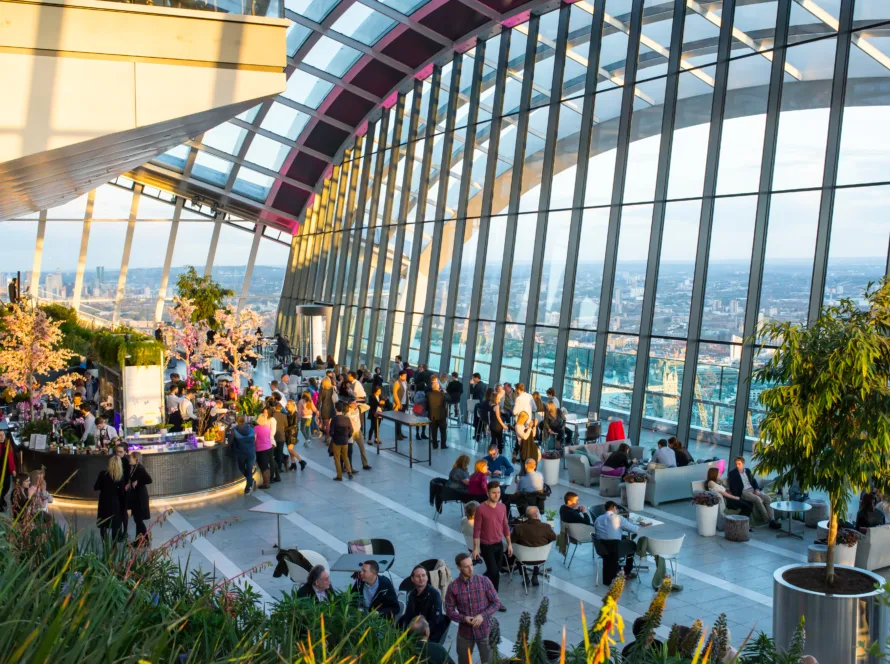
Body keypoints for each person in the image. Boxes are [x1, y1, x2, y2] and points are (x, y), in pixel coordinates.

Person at [444, 552, 500, 664]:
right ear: (459, 567)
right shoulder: (453, 587)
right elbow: (449, 611)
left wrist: (482, 616)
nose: (471, 569)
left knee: (489, 662)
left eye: (471, 565)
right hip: (465, 634)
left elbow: (496, 603)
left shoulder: (484, 581)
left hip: (485, 632)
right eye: (466, 567)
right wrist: (464, 618)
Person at [472, 481, 511, 599]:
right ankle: (477, 583)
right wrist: (475, 548)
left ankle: (495, 599)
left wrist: (509, 544)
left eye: (498, 492)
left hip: (499, 544)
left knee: (496, 573)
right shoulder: (481, 508)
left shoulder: (502, 507)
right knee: (493, 571)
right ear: (487, 493)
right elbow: (477, 529)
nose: (497, 495)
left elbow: (505, 526)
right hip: (486, 545)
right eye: (494, 493)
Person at [728, 457, 781, 529]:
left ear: (743, 463)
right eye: (736, 464)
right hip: (744, 492)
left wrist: (756, 489)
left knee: (768, 498)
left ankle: (772, 519)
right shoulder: (732, 473)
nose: (737, 465)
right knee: (758, 499)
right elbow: (732, 486)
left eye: (739, 464)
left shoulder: (748, 471)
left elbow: (754, 481)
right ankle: (768, 520)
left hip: (752, 489)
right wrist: (737, 495)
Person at [399, 565, 447, 643]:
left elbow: (434, 622)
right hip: (415, 632)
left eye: (423, 575)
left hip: (430, 635)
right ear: (412, 579)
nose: (421, 578)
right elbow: (408, 616)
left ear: (427, 578)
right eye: (418, 576)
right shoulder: (412, 594)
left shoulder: (434, 594)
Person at [594, 500, 639, 584]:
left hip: (601, 548)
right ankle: (627, 572)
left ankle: (618, 569)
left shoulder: (598, 519)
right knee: (632, 545)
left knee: (623, 538)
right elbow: (634, 529)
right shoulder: (618, 518)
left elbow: (597, 533)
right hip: (615, 548)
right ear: (614, 508)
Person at [511, 506, 556, 586]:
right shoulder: (546, 527)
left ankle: (525, 576)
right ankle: (535, 576)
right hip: (541, 558)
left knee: (517, 552)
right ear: (536, 516)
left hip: (523, 559)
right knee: (539, 547)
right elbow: (554, 538)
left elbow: (511, 541)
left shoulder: (518, 528)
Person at [94, 455, 124, 541]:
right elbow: (122, 492)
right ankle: (114, 547)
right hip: (115, 503)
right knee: (115, 525)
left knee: (103, 524)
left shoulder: (103, 474)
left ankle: (105, 544)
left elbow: (96, 487)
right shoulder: (120, 477)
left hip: (104, 502)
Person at [127, 451, 153, 544]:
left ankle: (145, 541)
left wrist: (138, 481)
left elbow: (149, 480)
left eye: (131, 457)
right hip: (136, 496)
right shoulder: (134, 467)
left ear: (136, 459)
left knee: (138, 519)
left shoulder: (140, 468)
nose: (129, 459)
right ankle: (139, 541)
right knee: (137, 519)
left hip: (140, 497)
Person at [230, 415, 257, 493]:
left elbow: (230, 442)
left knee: (242, 468)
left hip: (240, 453)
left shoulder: (234, 430)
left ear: (237, 421)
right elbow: (254, 439)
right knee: (249, 470)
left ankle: (248, 487)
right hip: (251, 452)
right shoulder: (252, 429)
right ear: (244, 420)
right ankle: (250, 481)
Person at [330, 401, 355, 481]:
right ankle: (349, 472)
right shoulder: (347, 418)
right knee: (345, 457)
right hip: (345, 441)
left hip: (337, 441)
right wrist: (347, 437)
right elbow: (351, 430)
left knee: (337, 458)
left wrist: (334, 437)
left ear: (335, 409)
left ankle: (339, 475)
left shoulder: (334, 419)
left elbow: (331, 432)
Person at [344, 398, 371, 471]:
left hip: (358, 431)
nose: (355, 404)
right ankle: (347, 465)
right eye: (353, 403)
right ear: (350, 404)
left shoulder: (358, 409)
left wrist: (359, 403)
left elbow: (368, 407)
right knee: (349, 450)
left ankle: (365, 464)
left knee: (362, 448)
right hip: (351, 433)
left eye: (356, 403)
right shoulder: (347, 412)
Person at [284, 400, 307, 471]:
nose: (287, 406)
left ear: (292, 405)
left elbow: (295, 425)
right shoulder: (288, 413)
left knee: (290, 449)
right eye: (287, 405)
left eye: (288, 405)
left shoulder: (295, 414)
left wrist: (285, 429)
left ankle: (301, 461)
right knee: (290, 449)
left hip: (293, 433)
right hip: (288, 432)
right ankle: (293, 464)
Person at [427, 376, 448, 450]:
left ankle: (435, 445)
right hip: (441, 415)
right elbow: (449, 399)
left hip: (432, 415)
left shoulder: (428, 395)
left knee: (434, 431)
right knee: (443, 430)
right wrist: (445, 393)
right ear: (438, 387)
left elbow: (427, 405)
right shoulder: (442, 395)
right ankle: (443, 445)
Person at [254, 412, 274, 489]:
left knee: (263, 467)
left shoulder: (256, 428)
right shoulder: (267, 428)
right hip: (269, 447)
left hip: (261, 449)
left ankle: (266, 483)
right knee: (266, 466)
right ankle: (267, 481)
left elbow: (254, 439)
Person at [271, 401, 290, 480]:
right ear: (281, 408)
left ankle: (274, 466)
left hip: (274, 436)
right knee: (280, 451)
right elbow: (286, 425)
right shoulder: (283, 416)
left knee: (274, 452)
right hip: (281, 436)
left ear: (275, 408)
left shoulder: (272, 416)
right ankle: (279, 467)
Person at [0, 429, 17, 513]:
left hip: (6, 470)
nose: (2, 437)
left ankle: (2, 498)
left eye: (3, 435)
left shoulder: (8, 445)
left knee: (6, 487)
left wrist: (13, 469)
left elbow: (11, 459)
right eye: (0, 435)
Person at [318, 377, 336, 442]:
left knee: (326, 424)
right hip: (331, 407)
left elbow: (319, 400)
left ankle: (327, 437)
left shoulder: (322, 389)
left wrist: (317, 409)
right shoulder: (332, 388)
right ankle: (329, 437)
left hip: (324, 408)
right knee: (330, 424)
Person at [393, 368, 408, 441]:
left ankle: (400, 433)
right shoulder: (397, 383)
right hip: (399, 403)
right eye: (404, 376)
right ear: (400, 376)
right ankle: (397, 434)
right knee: (398, 419)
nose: (405, 377)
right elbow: (395, 394)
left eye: (406, 376)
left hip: (404, 402)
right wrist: (398, 403)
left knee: (401, 419)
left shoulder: (405, 382)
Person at [489, 388, 507, 453]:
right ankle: (499, 452)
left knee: (493, 439)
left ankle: (491, 451)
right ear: (496, 398)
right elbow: (498, 417)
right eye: (499, 397)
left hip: (492, 424)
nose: (500, 399)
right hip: (497, 426)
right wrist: (503, 425)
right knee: (499, 439)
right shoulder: (497, 406)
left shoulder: (491, 404)